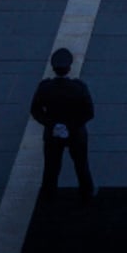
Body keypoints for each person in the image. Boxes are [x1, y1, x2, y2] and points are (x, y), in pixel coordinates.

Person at [30, 48, 95, 202]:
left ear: (53, 68)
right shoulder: (78, 87)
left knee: (51, 168)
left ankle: (49, 197)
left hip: (53, 134)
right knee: (81, 165)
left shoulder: (45, 87)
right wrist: (71, 126)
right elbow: (89, 112)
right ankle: (87, 194)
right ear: (69, 67)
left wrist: (53, 125)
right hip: (76, 133)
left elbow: (35, 110)